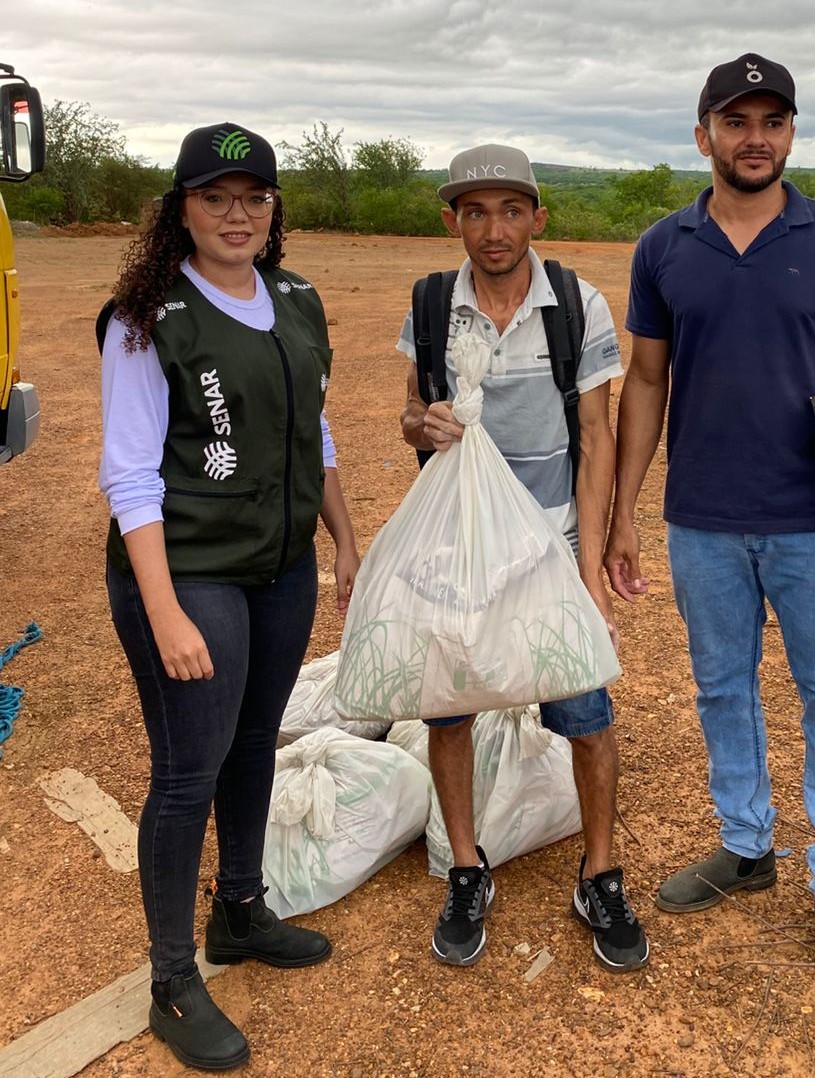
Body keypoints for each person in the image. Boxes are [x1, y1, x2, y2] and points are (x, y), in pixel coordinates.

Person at [604, 54, 815, 1001]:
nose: (756, 137)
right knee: (721, 690)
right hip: (703, 521)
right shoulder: (665, 247)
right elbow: (645, 382)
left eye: (773, 120)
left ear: (790, 135)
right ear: (704, 136)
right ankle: (747, 846)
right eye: (737, 122)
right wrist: (623, 512)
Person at [99, 122, 360, 1069]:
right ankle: (172, 978)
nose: (236, 214)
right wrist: (164, 611)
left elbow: (314, 430)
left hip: (282, 562)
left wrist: (344, 535)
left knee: (257, 739)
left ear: (273, 209)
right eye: (215, 197)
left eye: (254, 197)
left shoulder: (296, 299)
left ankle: (240, 911)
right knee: (187, 771)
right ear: (182, 211)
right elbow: (129, 476)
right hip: (193, 569)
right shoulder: (148, 317)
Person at [398, 143, 648, 974]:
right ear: (452, 221)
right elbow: (411, 414)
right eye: (475, 211)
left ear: (539, 217)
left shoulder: (576, 304)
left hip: (547, 543)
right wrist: (420, 425)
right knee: (450, 708)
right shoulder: (433, 304)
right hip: (459, 545)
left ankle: (600, 872)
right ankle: (467, 869)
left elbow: (596, 437)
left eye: (511, 210)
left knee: (585, 712)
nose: (493, 229)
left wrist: (589, 564)